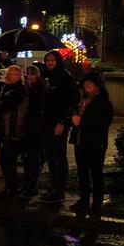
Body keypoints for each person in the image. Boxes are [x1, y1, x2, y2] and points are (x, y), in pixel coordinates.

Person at [70, 72, 115, 215]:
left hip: (95, 143)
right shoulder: (82, 100)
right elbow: (74, 114)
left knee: (96, 173)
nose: (87, 85)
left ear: (98, 85)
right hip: (80, 141)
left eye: (91, 82)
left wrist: (82, 122)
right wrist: (73, 118)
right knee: (82, 173)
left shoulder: (104, 103)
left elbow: (103, 123)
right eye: (85, 82)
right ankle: (83, 200)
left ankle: (97, 202)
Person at [0, 65, 28, 200]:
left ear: (19, 77)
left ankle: (12, 191)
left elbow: (1, 108)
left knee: (8, 162)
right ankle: (9, 188)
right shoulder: (8, 89)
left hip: (13, 133)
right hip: (6, 132)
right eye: (7, 73)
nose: (8, 76)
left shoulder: (17, 92)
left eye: (12, 74)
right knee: (5, 162)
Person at [41, 50, 79, 202]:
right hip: (47, 122)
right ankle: (53, 188)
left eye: (52, 60)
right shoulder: (47, 77)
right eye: (47, 60)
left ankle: (59, 191)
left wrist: (63, 122)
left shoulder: (65, 77)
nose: (50, 62)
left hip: (58, 123)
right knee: (50, 156)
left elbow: (71, 101)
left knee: (58, 157)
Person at [19, 65, 47, 198]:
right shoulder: (25, 88)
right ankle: (27, 181)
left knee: (33, 156)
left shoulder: (41, 88)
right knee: (25, 156)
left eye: (32, 74)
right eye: (27, 74)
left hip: (36, 127)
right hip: (26, 126)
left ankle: (32, 184)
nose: (29, 76)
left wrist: (29, 89)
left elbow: (37, 105)